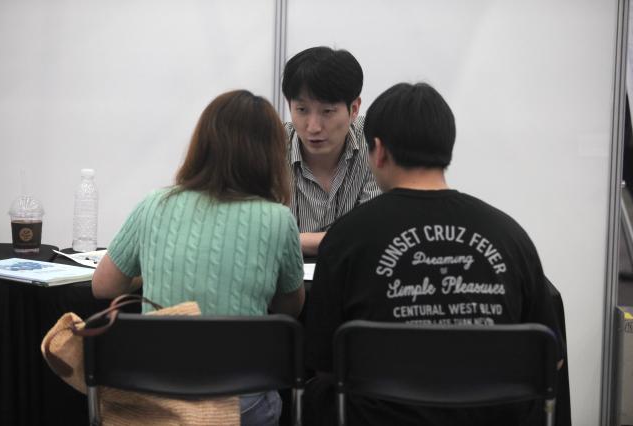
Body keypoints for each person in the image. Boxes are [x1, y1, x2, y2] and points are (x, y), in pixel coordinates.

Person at [304, 82, 564, 425]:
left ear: (378, 151)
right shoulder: (510, 235)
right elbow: (550, 360)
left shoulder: (347, 237)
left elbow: (321, 358)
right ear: (447, 148)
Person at [92, 90, 305, 426]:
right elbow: (288, 309)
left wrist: (155, 268)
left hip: (155, 398)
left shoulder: (155, 203)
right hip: (241, 403)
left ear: (202, 144)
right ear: (271, 154)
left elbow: (104, 286)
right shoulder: (278, 220)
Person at [282, 46, 381, 256]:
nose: (313, 127)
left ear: (354, 109)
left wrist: (292, 241)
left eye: (327, 111)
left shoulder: (375, 141)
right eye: (302, 110)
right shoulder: (271, 146)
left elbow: (374, 231)